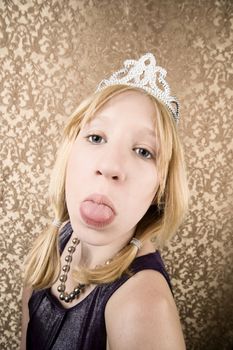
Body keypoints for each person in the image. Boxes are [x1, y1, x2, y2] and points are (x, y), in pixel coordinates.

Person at [20, 53, 188, 350]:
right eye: (96, 137)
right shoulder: (49, 247)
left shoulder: (143, 307)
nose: (109, 166)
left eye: (143, 151)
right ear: (70, 152)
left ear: (160, 189)